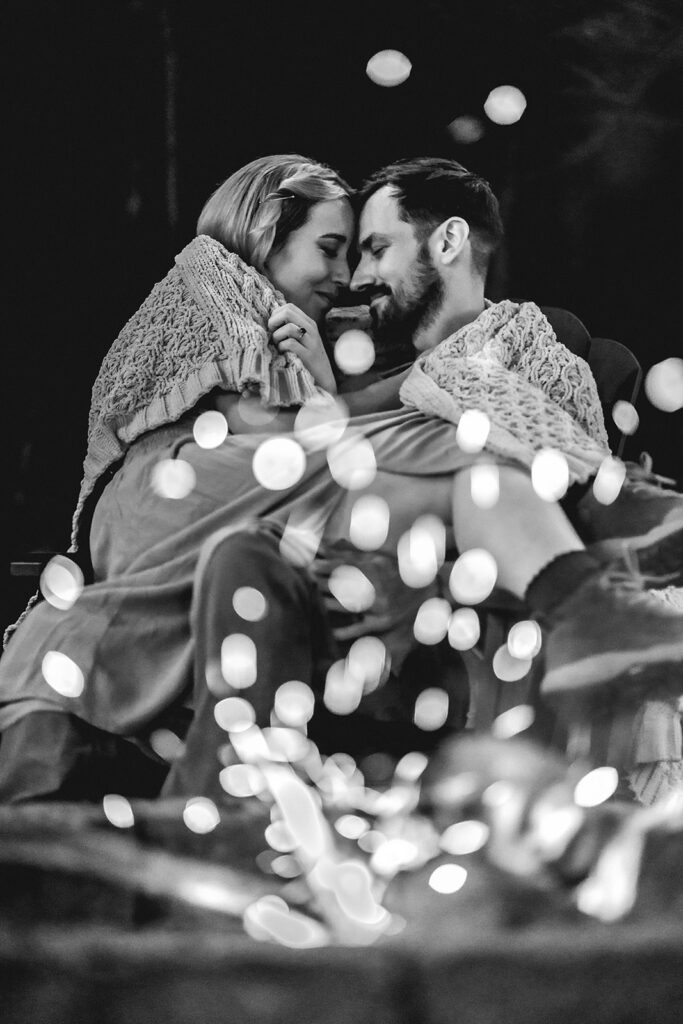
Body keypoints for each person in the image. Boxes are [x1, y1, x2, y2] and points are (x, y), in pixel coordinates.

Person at [161, 159, 683, 803]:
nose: (357, 277)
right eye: (348, 253)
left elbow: (548, 455)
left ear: (447, 241)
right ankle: (219, 808)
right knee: (243, 555)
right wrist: (327, 393)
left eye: (376, 248)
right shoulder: (363, 367)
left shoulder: (528, 343)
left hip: (473, 581)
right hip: (345, 572)